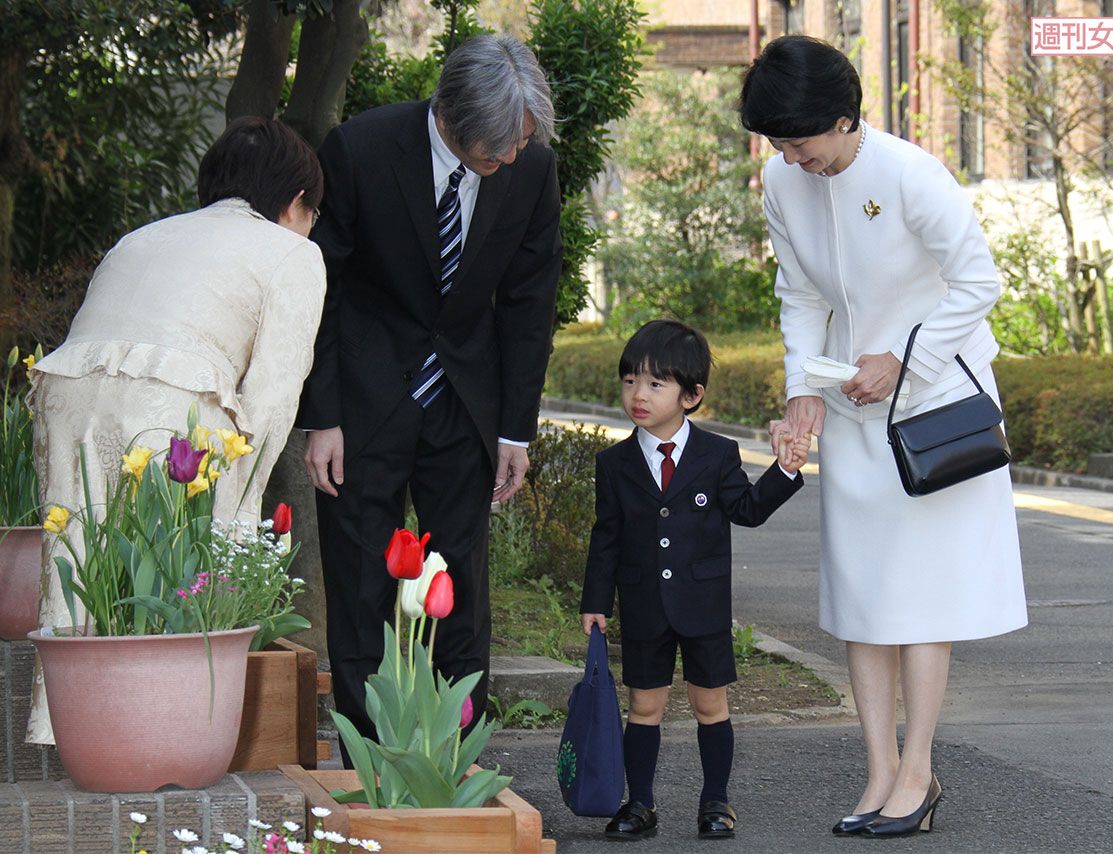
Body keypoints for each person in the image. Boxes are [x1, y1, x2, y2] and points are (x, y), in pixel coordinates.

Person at [739, 35, 1028, 838]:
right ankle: (877, 770)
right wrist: (803, 391)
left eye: (799, 141)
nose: (789, 158)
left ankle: (918, 771)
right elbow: (799, 293)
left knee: (922, 599)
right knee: (863, 596)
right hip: (853, 405)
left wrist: (904, 359)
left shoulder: (909, 174)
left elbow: (979, 281)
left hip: (933, 409)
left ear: (843, 118)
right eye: (776, 144)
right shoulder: (782, 181)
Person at [297, 34, 563, 755]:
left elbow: (529, 301)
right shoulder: (360, 148)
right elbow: (322, 288)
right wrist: (322, 416)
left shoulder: (532, 169)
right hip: (363, 403)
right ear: (450, 115)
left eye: (521, 144)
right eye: (496, 150)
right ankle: (368, 765)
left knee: (461, 596)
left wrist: (515, 430)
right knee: (361, 590)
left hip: (466, 404)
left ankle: (450, 763)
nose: (511, 159)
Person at [26, 116, 327, 744]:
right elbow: (274, 395)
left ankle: (72, 728)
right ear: (295, 201)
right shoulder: (293, 252)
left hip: (66, 392)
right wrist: (242, 508)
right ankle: (167, 734)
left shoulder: (141, 236)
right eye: (313, 212)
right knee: (180, 571)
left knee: (83, 558)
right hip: (172, 403)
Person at [580, 319, 809, 841]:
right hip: (643, 604)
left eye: (655, 384)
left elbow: (748, 509)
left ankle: (716, 802)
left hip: (703, 605)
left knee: (710, 704)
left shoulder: (717, 454)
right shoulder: (614, 463)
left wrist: (785, 470)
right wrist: (596, 600)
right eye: (630, 381)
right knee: (644, 706)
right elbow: (606, 535)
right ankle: (639, 803)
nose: (638, 395)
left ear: (692, 395)